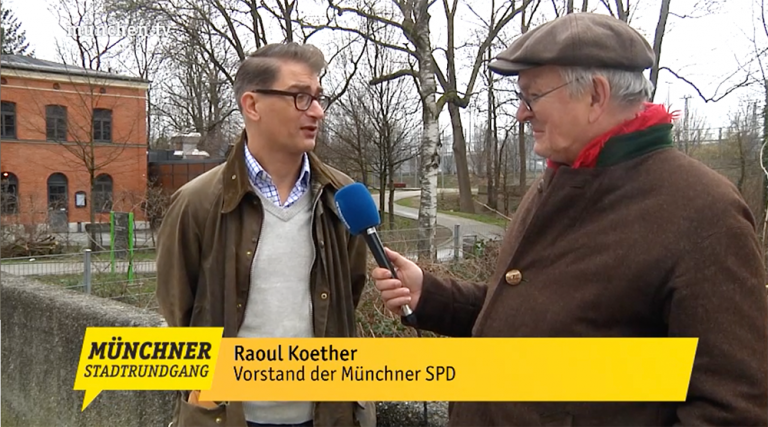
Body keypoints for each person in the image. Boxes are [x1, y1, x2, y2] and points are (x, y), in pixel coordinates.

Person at [371, 12, 768, 427]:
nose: (522, 114)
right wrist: (429, 295)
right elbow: (529, 322)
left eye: (532, 97)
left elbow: (731, 409)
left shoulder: (705, 212)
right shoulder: (558, 180)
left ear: (595, 96)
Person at [156, 42, 376, 427]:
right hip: (230, 416)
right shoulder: (197, 203)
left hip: (327, 415)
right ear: (252, 106)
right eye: (300, 97)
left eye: (318, 98)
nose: (317, 112)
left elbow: (348, 296)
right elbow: (180, 309)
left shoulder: (342, 198)